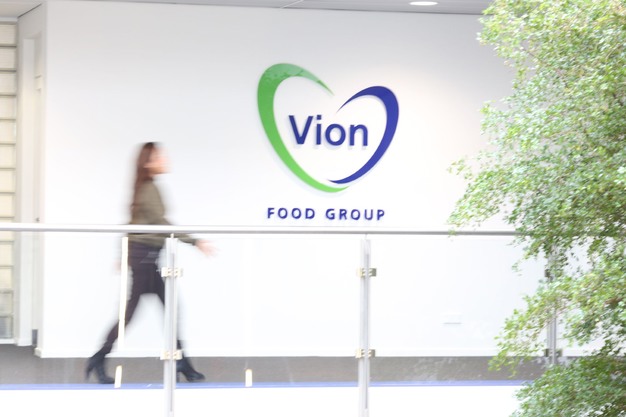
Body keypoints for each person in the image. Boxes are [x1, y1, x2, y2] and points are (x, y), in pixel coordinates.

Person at [86, 142, 213, 384]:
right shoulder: (149, 189)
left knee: (168, 308)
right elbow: (161, 224)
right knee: (133, 314)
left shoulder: (145, 187)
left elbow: (134, 224)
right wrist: (194, 241)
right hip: (144, 259)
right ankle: (98, 358)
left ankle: (182, 362)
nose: (164, 159)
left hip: (144, 257)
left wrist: (123, 255)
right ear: (147, 163)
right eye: (159, 156)